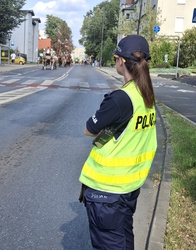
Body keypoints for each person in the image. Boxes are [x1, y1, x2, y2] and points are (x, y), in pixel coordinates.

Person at [78, 35, 157, 250]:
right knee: (123, 238)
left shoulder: (121, 98)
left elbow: (88, 129)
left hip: (107, 192)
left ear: (121, 61)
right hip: (129, 187)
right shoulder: (146, 95)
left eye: (115, 58)